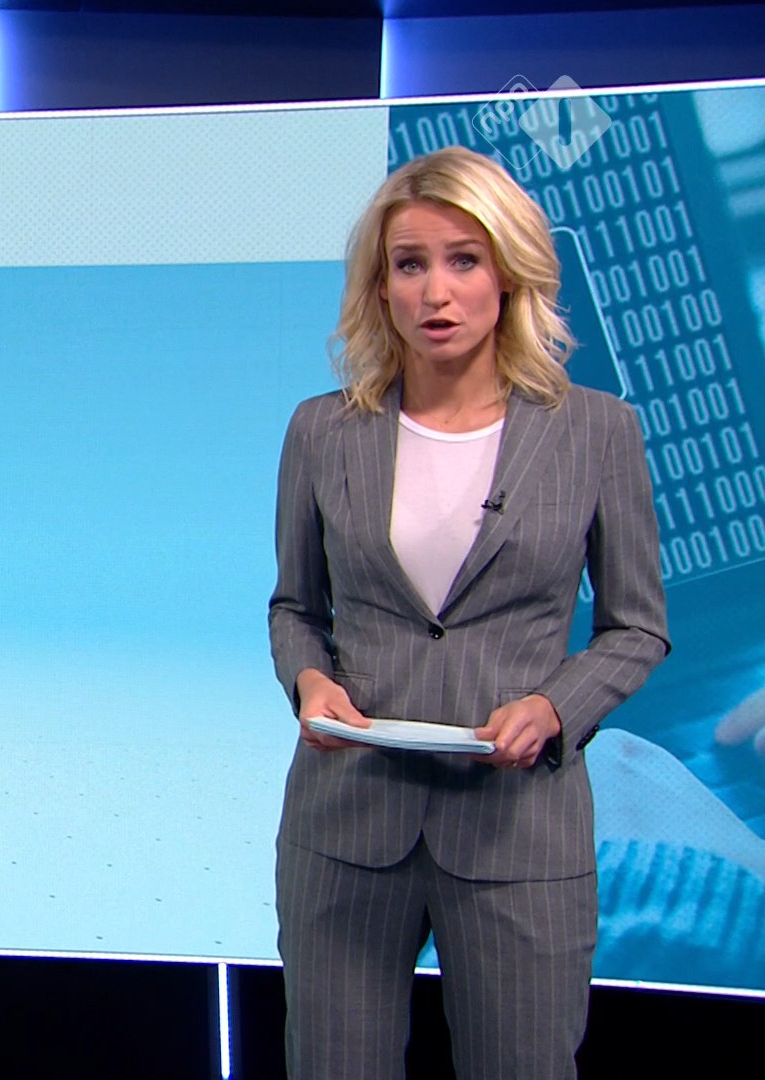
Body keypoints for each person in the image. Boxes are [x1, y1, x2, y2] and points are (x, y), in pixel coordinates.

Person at [268, 145, 670, 1080]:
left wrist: (557, 708)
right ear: (380, 286)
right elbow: (295, 606)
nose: (435, 292)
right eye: (410, 264)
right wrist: (309, 680)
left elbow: (636, 626)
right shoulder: (322, 430)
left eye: (464, 260)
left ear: (509, 274)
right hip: (346, 823)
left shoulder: (597, 431)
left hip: (516, 829)